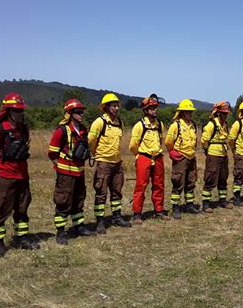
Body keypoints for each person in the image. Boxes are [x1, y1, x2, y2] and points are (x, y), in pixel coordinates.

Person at [0, 93, 39, 258]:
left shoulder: (23, 129)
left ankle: (22, 238)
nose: (19, 113)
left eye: (21, 111)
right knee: (0, 210)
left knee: (22, 208)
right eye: (16, 111)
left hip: (22, 177)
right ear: (8, 111)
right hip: (5, 177)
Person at [48, 99, 96, 245]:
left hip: (79, 171)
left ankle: (79, 227)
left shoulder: (82, 129)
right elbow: (52, 153)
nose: (81, 114)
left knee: (79, 199)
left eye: (82, 112)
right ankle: (61, 231)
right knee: (63, 201)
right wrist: (61, 166)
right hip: (65, 173)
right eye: (78, 112)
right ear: (69, 113)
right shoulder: (61, 130)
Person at [88, 93, 131, 233]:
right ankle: (100, 221)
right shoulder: (99, 122)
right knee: (101, 192)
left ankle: (117, 217)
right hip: (104, 162)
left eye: (117, 105)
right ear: (106, 107)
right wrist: (97, 155)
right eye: (113, 106)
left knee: (117, 191)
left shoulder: (119, 122)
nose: (116, 108)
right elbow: (90, 141)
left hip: (117, 162)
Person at [129, 94, 169, 223]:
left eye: (155, 107)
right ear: (145, 110)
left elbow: (161, 140)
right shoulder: (139, 126)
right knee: (141, 186)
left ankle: (158, 210)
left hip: (157, 157)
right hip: (144, 157)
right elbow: (133, 146)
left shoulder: (160, 125)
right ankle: (137, 214)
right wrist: (139, 156)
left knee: (159, 185)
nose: (155, 110)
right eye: (152, 108)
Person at [165, 99, 200, 219]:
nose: (190, 114)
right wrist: (173, 152)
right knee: (178, 182)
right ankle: (175, 207)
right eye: (188, 112)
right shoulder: (176, 125)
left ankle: (189, 205)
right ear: (182, 112)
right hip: (181, 158)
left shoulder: (193, 125)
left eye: (191, 112)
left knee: (191, 181)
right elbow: (168, 142)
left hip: (191, 157)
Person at [201, 101, 234, 212]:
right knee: (210, 179)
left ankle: (223, 201)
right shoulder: (212, 124)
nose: (225, 115)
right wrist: (207, 150)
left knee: (223, 179)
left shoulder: (225, 125)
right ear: (218, 113)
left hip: (223, 155)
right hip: (214, 155)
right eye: (223, 113)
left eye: (226, 113)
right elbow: (204, 140)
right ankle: (206, 203)